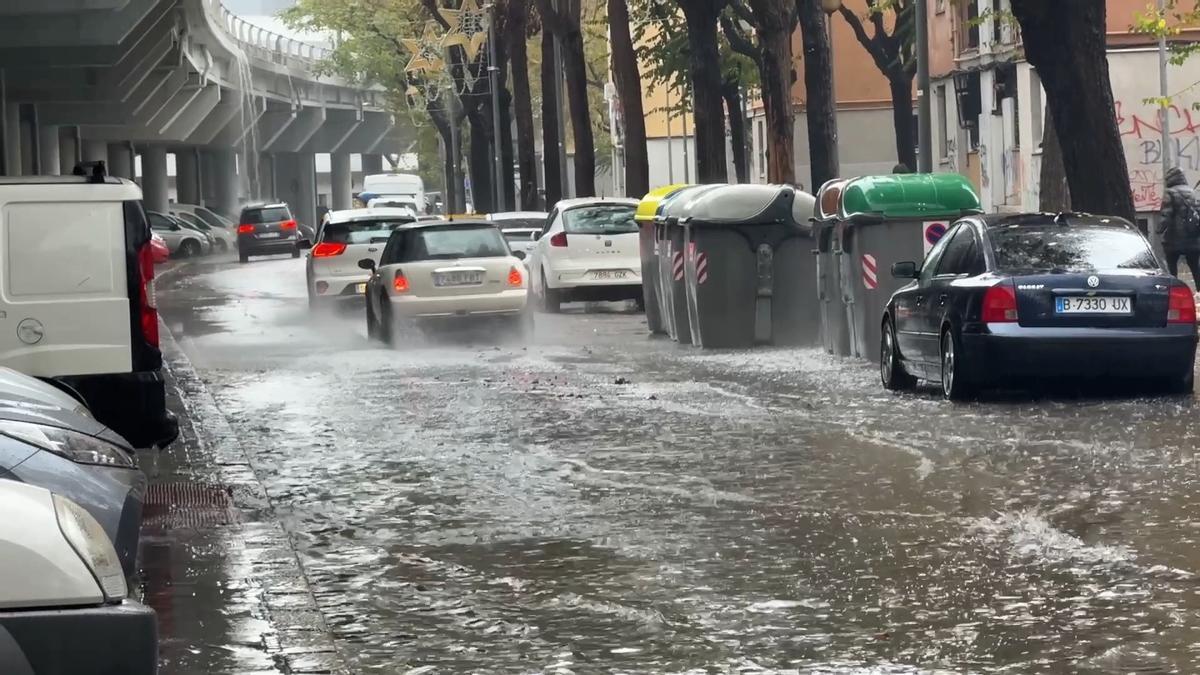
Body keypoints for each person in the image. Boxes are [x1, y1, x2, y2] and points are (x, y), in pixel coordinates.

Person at [1158, 167, 1200, 283]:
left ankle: (1175, 290)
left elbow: (1166, 214)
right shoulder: (1192, 192)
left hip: (1173, 239)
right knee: (1195, 267)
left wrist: (1159, 230)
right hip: (1192, 238)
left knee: (1171, 267)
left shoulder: (1170, 193)